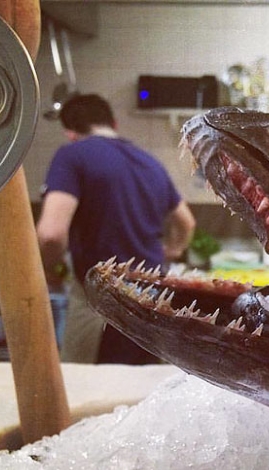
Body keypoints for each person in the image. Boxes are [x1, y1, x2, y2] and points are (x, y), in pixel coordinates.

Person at [36, 93, 196, 364]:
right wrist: (172, 250)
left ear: (70, 133)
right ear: (114, 123)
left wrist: (51, 271)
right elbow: (186, 222)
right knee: (145, 386)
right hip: (154, 309)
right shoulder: (150, 162)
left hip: (101, 307)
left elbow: (51, 235)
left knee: (91, 386)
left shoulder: (72, 155)